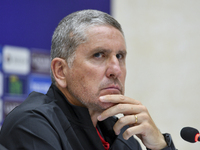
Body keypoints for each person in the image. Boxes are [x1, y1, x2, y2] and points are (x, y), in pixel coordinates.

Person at [0, 9, 176, 150]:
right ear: (61, 71)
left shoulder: (124, 134)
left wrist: (160, 146)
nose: (116, 70)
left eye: (120, 56)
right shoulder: (31, 124)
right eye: (99, 55)